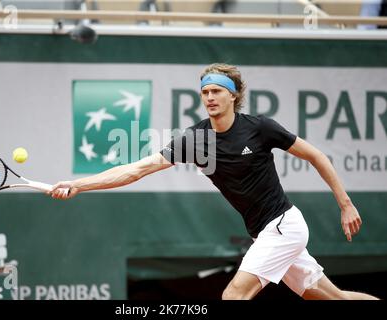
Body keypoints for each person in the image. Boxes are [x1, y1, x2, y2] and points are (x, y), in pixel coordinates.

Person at [50, 63, 379, 300]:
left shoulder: (260, 128)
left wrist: (345, 204)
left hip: (284, 226)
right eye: (205, 92)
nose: (209, 97)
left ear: (233, 96)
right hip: (265, 231)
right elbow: (136, 169)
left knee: (234, 295)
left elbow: (317, 156)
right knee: (334, 299)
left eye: (217, 91)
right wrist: (81, 184)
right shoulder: (195, 140)